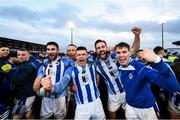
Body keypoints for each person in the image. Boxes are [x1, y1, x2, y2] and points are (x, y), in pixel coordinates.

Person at [115, 42, 180, 119]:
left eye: (124, 52)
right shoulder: (118, 65)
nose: (121, 55)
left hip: (147, 108)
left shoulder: (141, 67)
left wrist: (157, 61)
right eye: (118, 53)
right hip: (130, 107)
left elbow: (173, 87)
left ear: (130, 53)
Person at [41, 46, 106, 120]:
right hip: (82, 106)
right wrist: (51, 87)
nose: (81, 56)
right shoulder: (70, 70)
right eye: (78, 55)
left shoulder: (92, 64)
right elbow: (61, 85)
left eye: (83, 54)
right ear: (76, 56)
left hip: (97, 102)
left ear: (87, 56)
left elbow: (100, 55)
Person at [94, 27, 141, 119]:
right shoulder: (95, 64)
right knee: (112, 115)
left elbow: (133, 50)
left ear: (106, 47)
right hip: (112, 95)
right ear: (96, 51)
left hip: (125, 91)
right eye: (98, 48)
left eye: (103, 46)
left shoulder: (116, 55)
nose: (101, 49)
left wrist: (137, 35)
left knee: (128, 115)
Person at [33, 41, 74, 119]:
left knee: (60, 118)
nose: (50, 52)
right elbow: (37, 82)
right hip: (46, 99)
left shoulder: (66, 62)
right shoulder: (44, 65)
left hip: (60, 99)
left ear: (58, 50)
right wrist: (38, 91)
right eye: (48, 49)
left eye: (53, 49)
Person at [6, 48, 37, 119]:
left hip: (25, 96)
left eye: (23, 55)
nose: (20, 56)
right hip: (25, 95)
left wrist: (8, 71)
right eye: (18, 55)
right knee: (26, 114)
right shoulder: (24, 64)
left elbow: (16, 81)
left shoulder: (29, 66)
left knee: (16, 116)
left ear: (28, 55)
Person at [0, 46, 14, 119]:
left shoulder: (7, 61)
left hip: (7, 89)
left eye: (7, 50)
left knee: (6, 106)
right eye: (3, 50)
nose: (6, 51)